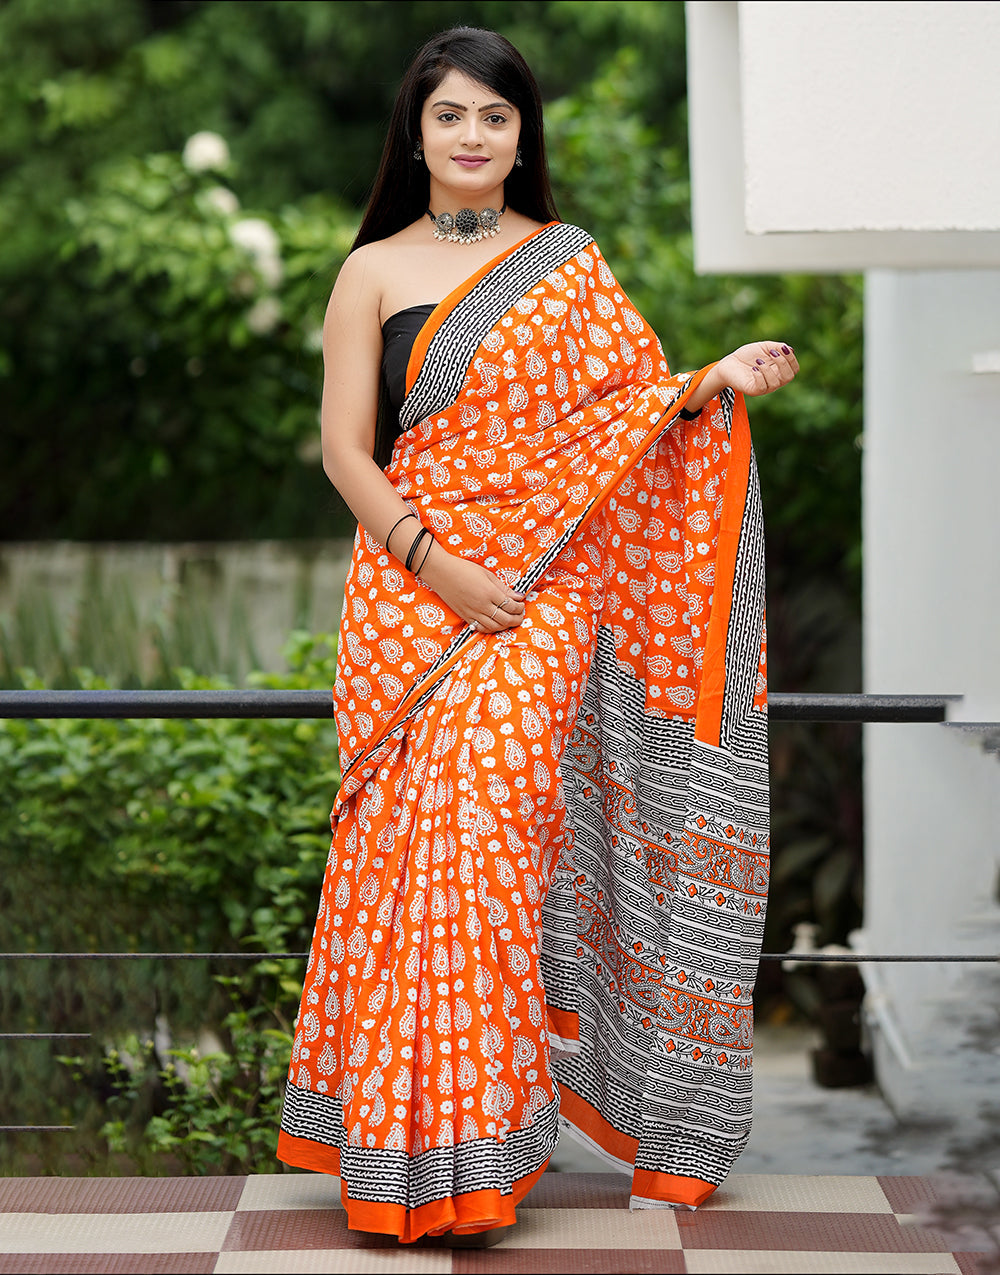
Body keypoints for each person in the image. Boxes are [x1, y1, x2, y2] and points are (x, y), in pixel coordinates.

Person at [277, 25, 798, 1245]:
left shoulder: (564, 262)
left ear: (522, 137)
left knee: (489, 850)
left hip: (539, 599)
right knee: (412, 862)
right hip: (412, 595)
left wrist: (709, 378)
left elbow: (629, 415)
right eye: (450, 115)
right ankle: (403, 1154)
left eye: (494, 118)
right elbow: (345, 451)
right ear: (415, 131)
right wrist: (439, 564)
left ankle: (479, 1155)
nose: (471, 137)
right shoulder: (371, 273)